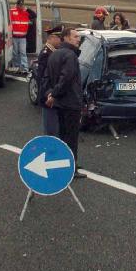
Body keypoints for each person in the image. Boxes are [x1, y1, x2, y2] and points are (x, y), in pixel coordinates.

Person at [45, 27, 85, 179]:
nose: (78, 39)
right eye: (75, 36)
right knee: (71, 136)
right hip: (70, 102)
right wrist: (54, 94)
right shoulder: (70, 56)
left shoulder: (55, 54)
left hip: (60, 103)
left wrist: (51, 94)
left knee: (63, 135)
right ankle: (71, 168)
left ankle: (63, 163)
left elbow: (48, 78)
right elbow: (66, 78)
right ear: (66, 38)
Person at [36, 25, 64, 136]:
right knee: (51, 130)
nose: (60, 41)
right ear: (51, 38)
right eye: (58, 38)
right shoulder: (46, 54)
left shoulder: (54, 52)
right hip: (48, 96)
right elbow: (42, 77)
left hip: (52, 95)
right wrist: (48, 94)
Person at [9, 0, 30, 73]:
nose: (21, 6)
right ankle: (16, 67)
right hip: (14, 37)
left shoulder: (25, 12)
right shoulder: (12, 11)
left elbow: (34, 15)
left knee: (23, 53)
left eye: (22, 5)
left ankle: (25, 69)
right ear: (17, 5)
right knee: (15, 53)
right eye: (20, 5)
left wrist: (27, 9)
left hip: (23, 38)